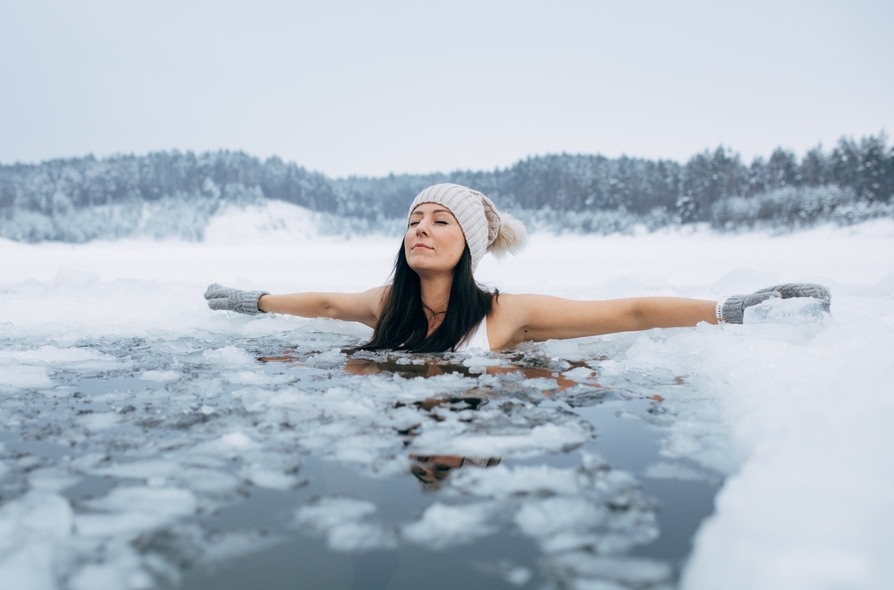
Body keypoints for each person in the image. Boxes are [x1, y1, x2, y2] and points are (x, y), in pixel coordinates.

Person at [204, 183, 830, 352]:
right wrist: (252, 300)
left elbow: (631, 311)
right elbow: (324, 304)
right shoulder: (386, 304)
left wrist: (731, 309)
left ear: (469, 246)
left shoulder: (506, 315)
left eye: (440, 221)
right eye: (414, 220)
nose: (420, 229)